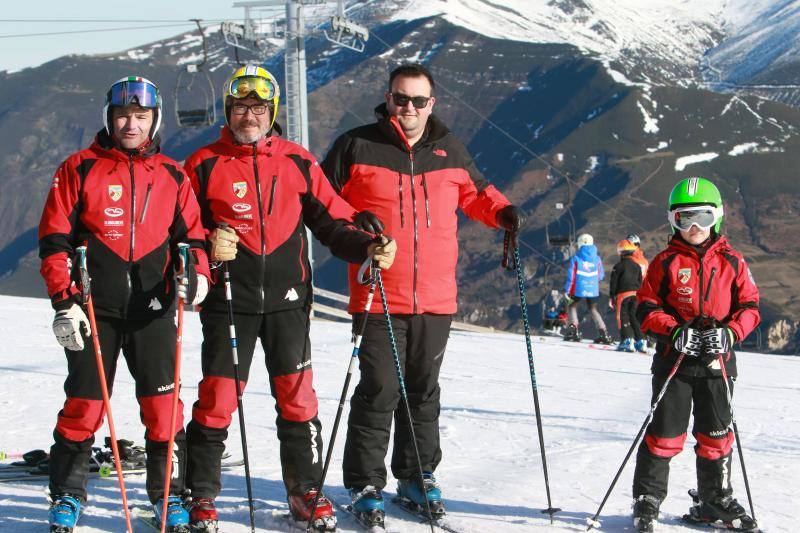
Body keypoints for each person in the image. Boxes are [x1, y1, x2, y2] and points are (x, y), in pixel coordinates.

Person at [182, 64, 396, 532]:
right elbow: (180, 230)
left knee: (298, 400)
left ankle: (305, 491)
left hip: (289, 301)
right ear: (228, 110)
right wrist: (207, 244)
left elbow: (333, 222)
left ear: (272, 111)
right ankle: (200, 494)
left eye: (259, 107)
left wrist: (368, 246)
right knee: (217, 399)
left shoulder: (298, 161)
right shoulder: (202, 163)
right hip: (229, 301)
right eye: (241, 107)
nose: (249, 116)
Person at [321, 62, 524, 526]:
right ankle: (365, 484)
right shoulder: (356, 144)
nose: (408, 107)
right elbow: (321, 200)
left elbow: (476, 193)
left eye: (417, 100)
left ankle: (416, 475)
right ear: (388, 99)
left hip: (435, 297)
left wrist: (503, 213)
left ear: (431, 103)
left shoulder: (449, 147)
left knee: (423, 391)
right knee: (379, 390)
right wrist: (353, 224)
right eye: (400, 98)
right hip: (377, 293)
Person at [38, 76, 211, 532]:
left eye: (140, 116)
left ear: (154, 120)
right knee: (84, 404)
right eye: (122, 116)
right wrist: (63, 301)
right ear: (109, 118)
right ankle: (67, 495)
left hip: (154, 310)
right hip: (93, 311)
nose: (131, 124)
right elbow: (54, 241)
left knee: (163, 408)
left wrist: (198, 276)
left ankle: (168, 496)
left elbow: (193, 239)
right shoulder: (78, 168)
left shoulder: (173, 174)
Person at [631, 177, 760, 532]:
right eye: (684, 218)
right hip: (675, 363)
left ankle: (713, 499)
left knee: (716, 435)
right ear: (673, 220)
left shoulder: (733, 262)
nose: (694, 227)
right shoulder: (665, 262)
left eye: (703, 217)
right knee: (665, 433)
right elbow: (646, 308)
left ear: (717, 217)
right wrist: (674, 331)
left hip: (718, 364)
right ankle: (648, 498)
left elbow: (750, 307)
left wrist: (730, 333)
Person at [563, 233, 611, 344]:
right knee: (593, 309)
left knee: (572, 306)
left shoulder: (576, 258)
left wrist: (567, 290)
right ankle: (603, 333)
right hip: (593, 288)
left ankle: (574, 331)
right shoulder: (597, 259)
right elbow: (601, 275)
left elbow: (571, 276)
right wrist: (592, 281)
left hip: (578, 288)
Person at [609, 239, 645, 352]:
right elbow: (640, 281)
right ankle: (641, 341)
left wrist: (612, 297)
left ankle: (627, 341)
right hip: (636, 294)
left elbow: (613, 283)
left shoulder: (618, 266)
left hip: (623, 295)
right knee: (634, 317)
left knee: (622, 317)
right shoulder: (637, 266)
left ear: (620, 252)